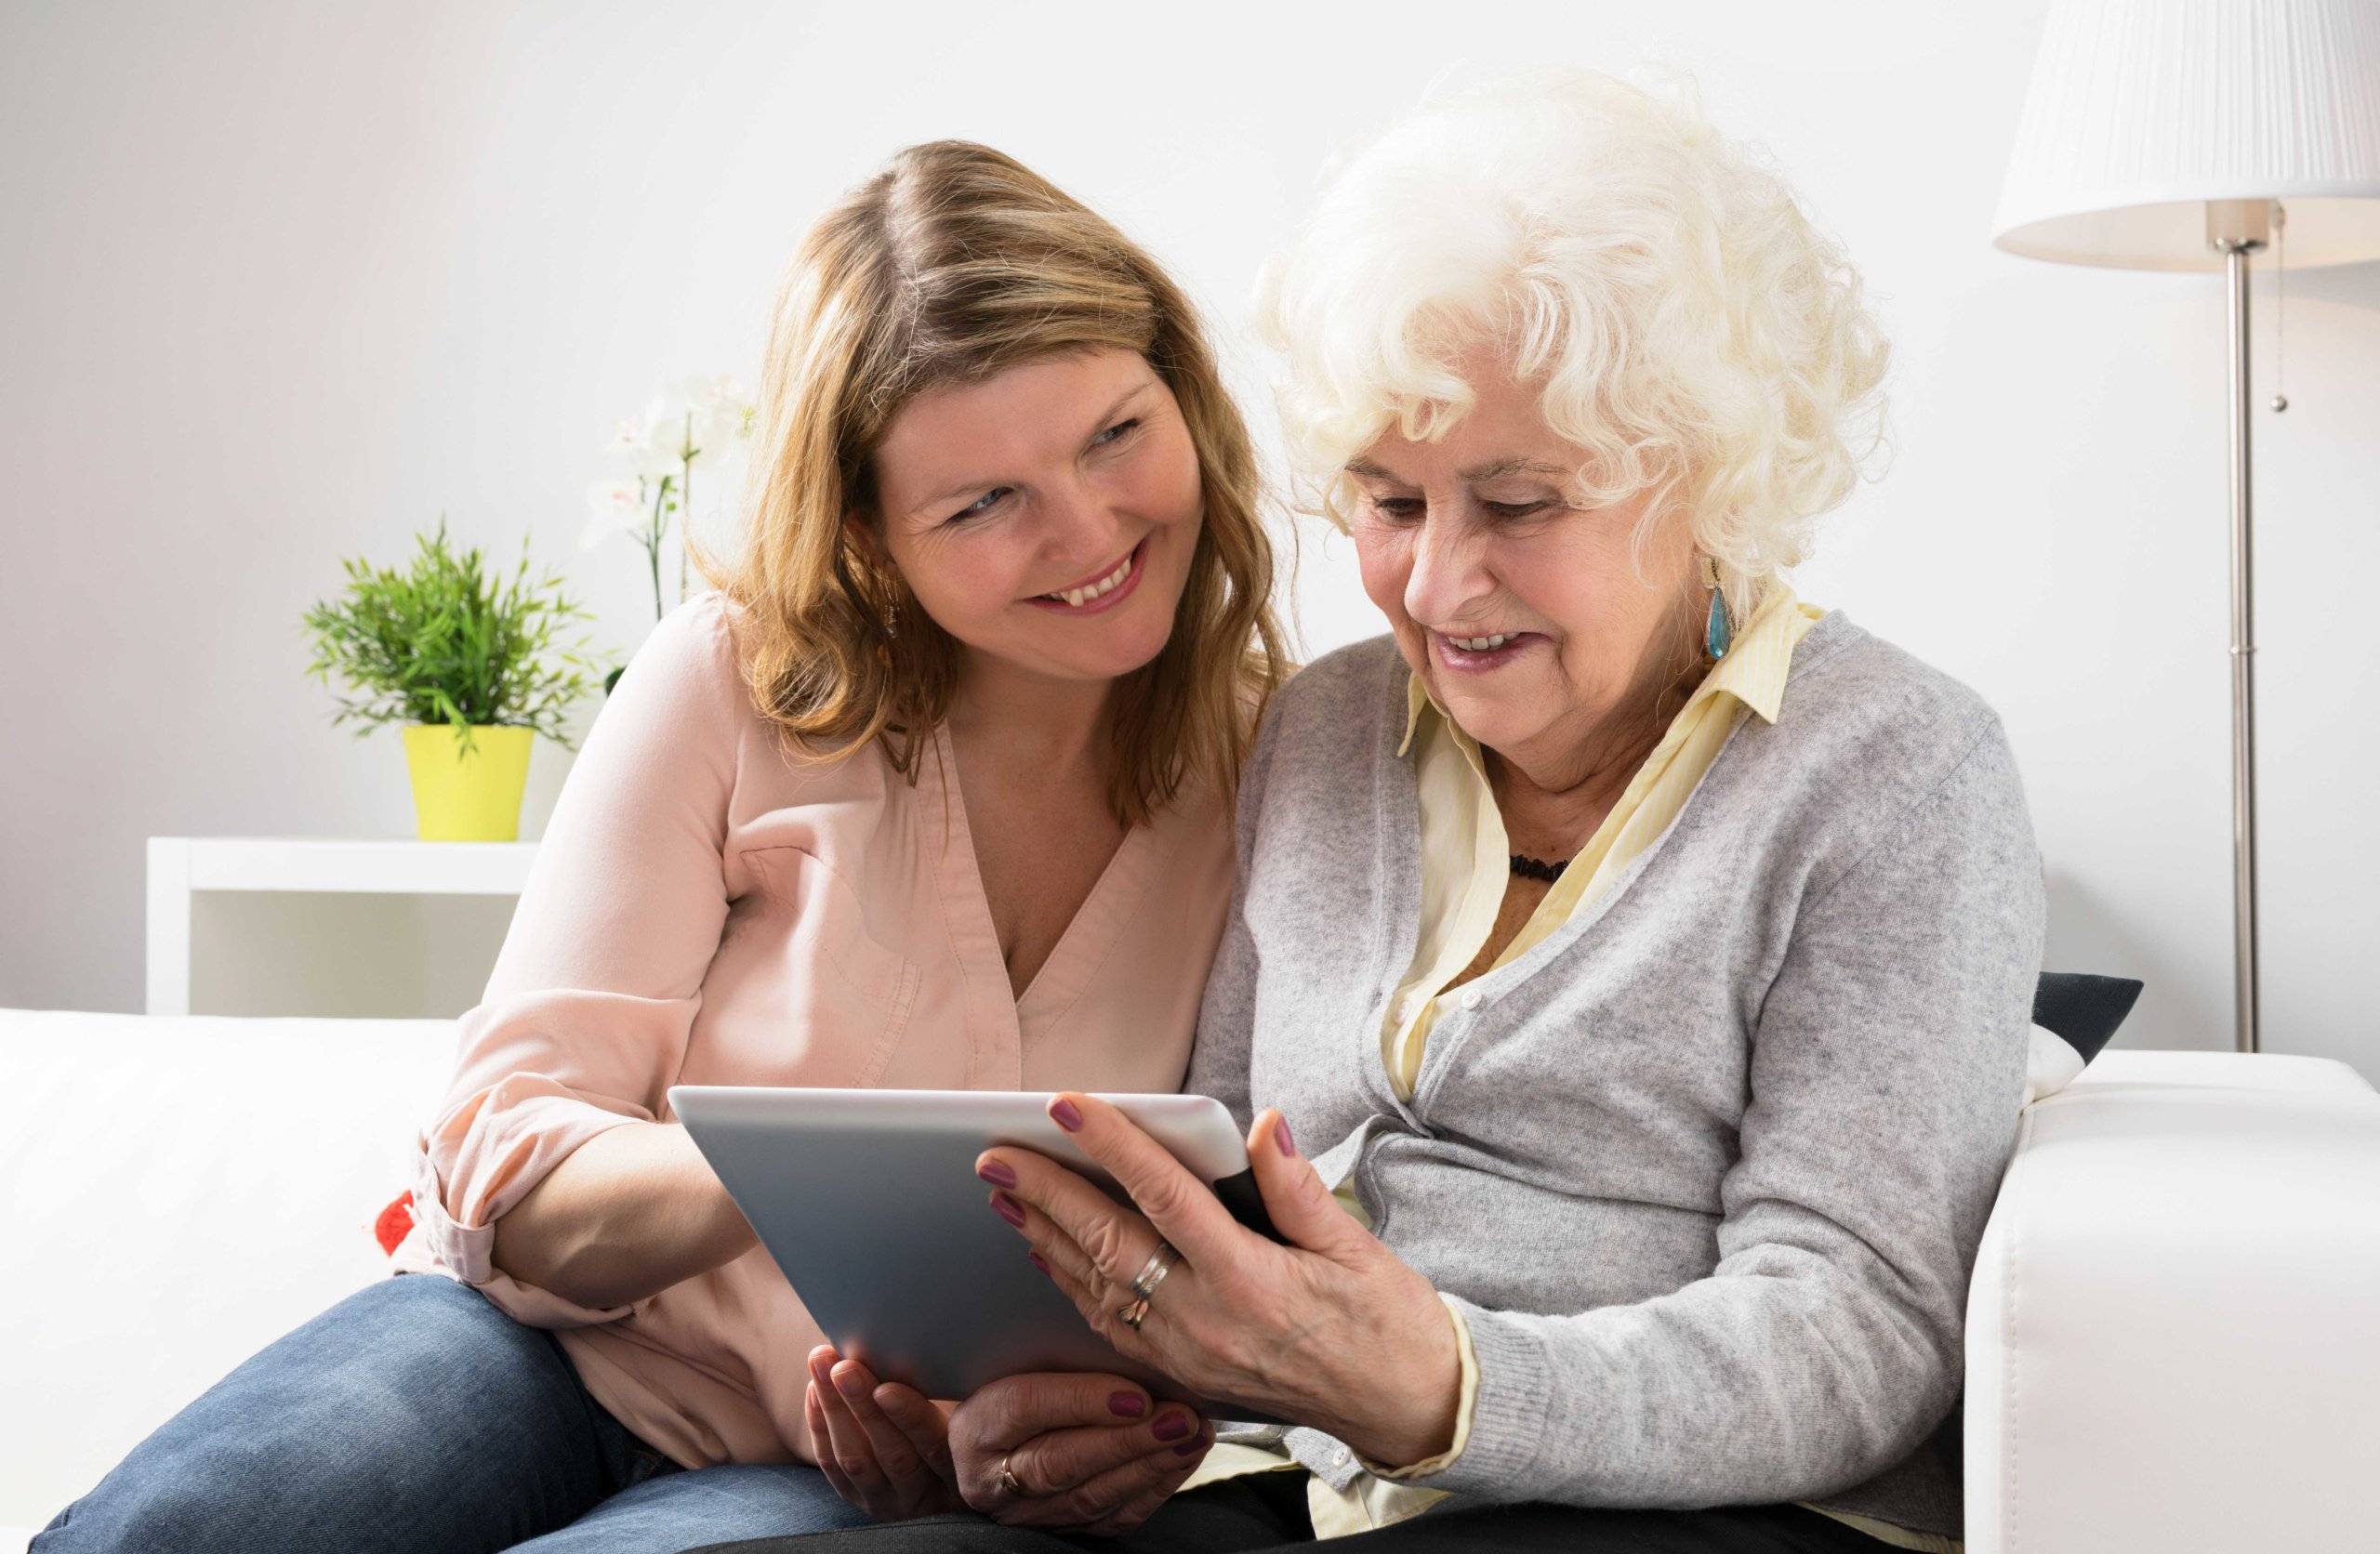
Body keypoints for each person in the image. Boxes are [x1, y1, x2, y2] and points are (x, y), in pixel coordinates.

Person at [764, 71, 2042, 1554]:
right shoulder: (1321, 728)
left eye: (1518, 503)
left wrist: (1450, 1388)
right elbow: (1231, 1184)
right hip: (1282, 1488)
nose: (1436, 588)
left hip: (1687, 1506)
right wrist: (1107, 1414)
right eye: (1389, 502)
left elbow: (1859, 1332)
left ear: (1704, 474)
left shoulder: (1897, 771)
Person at [33, 139, 1286, 1554]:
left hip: (829, 1473)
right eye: (981, 503)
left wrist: (1033, 1436)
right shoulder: (736, 679)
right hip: (535, 1351)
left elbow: (1223, 1252)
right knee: (180, 1535)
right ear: (872, 535)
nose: (1087, 531)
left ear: (1182, 390)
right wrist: (804, 1179)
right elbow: (506, 1155)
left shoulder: (1273, 777)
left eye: (1115, 434)